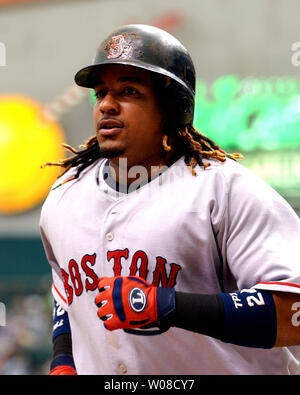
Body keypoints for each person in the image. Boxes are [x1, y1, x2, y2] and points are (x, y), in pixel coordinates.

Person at [40, 24, 300, 375]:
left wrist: (170, 305)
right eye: (101, 93)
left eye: (128, 91)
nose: (107, 105)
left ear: (172, 107)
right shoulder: (64, 196)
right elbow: (65, 297)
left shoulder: (225, 190)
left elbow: (293, 313)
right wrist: (63, 360)